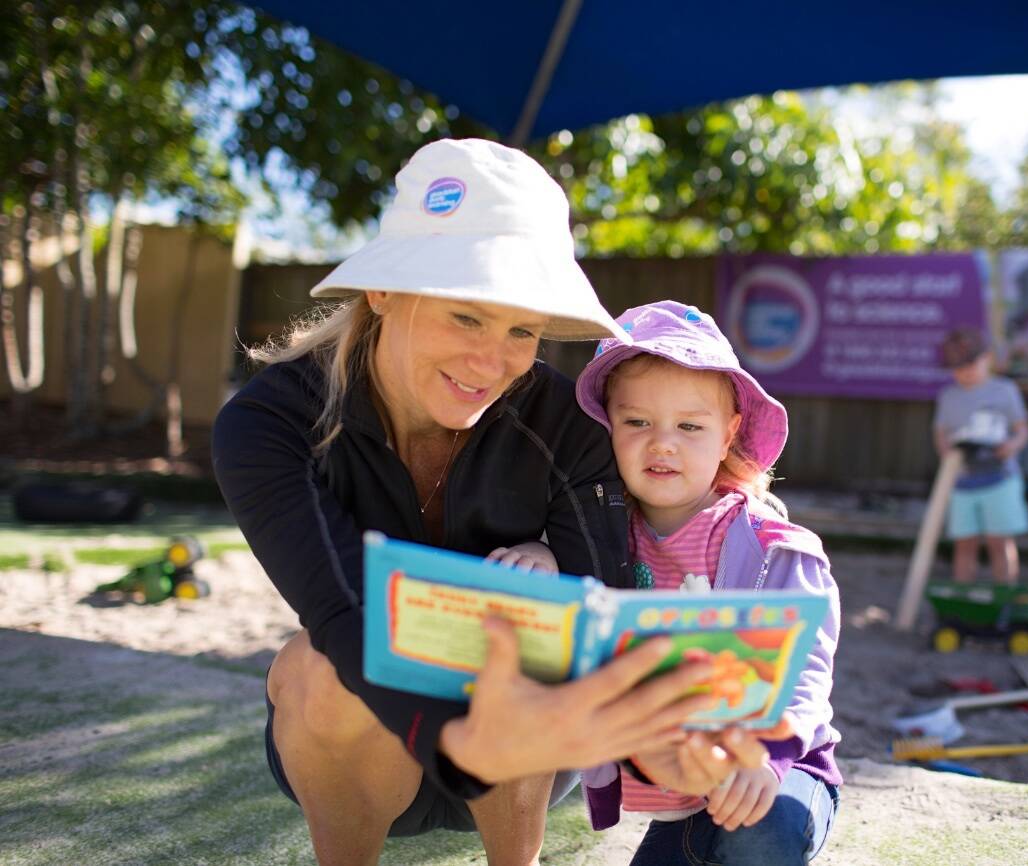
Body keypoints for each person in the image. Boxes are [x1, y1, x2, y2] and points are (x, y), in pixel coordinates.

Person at [211, 139, 767, 866]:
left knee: (532, 641)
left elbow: (598, 607)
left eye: (522, 332)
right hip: (365, 735)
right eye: (466, 317)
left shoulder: (571, 424)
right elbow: (346, 615)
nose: (491, 362)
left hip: (527, 746)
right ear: (383, 292)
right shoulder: (269, 422)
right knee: (312, 665)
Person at [574, 300, 842, 865]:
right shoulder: (596, 537)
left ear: (728, 436)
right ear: (609, 429)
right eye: (637, 421)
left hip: (779, 769)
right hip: (687, 793)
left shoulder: (771, 547)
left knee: (764, 828)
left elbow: (806, 667)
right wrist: (534, 553)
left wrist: (768, 754)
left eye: (690, 426)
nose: (663, 442)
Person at [932, 326, 1028, 584]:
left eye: (970, 364)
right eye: (957, 368)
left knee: (999, 541)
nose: (964, 373)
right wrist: (946, 454)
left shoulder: (1005, 390)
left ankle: (1005, 594)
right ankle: (964, 596)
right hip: (963, 483)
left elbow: (1022, 430)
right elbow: (941, 432)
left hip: (1000, 480)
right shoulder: (949, 397)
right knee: (965, 543)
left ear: (987, 358)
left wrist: (1011, 445)